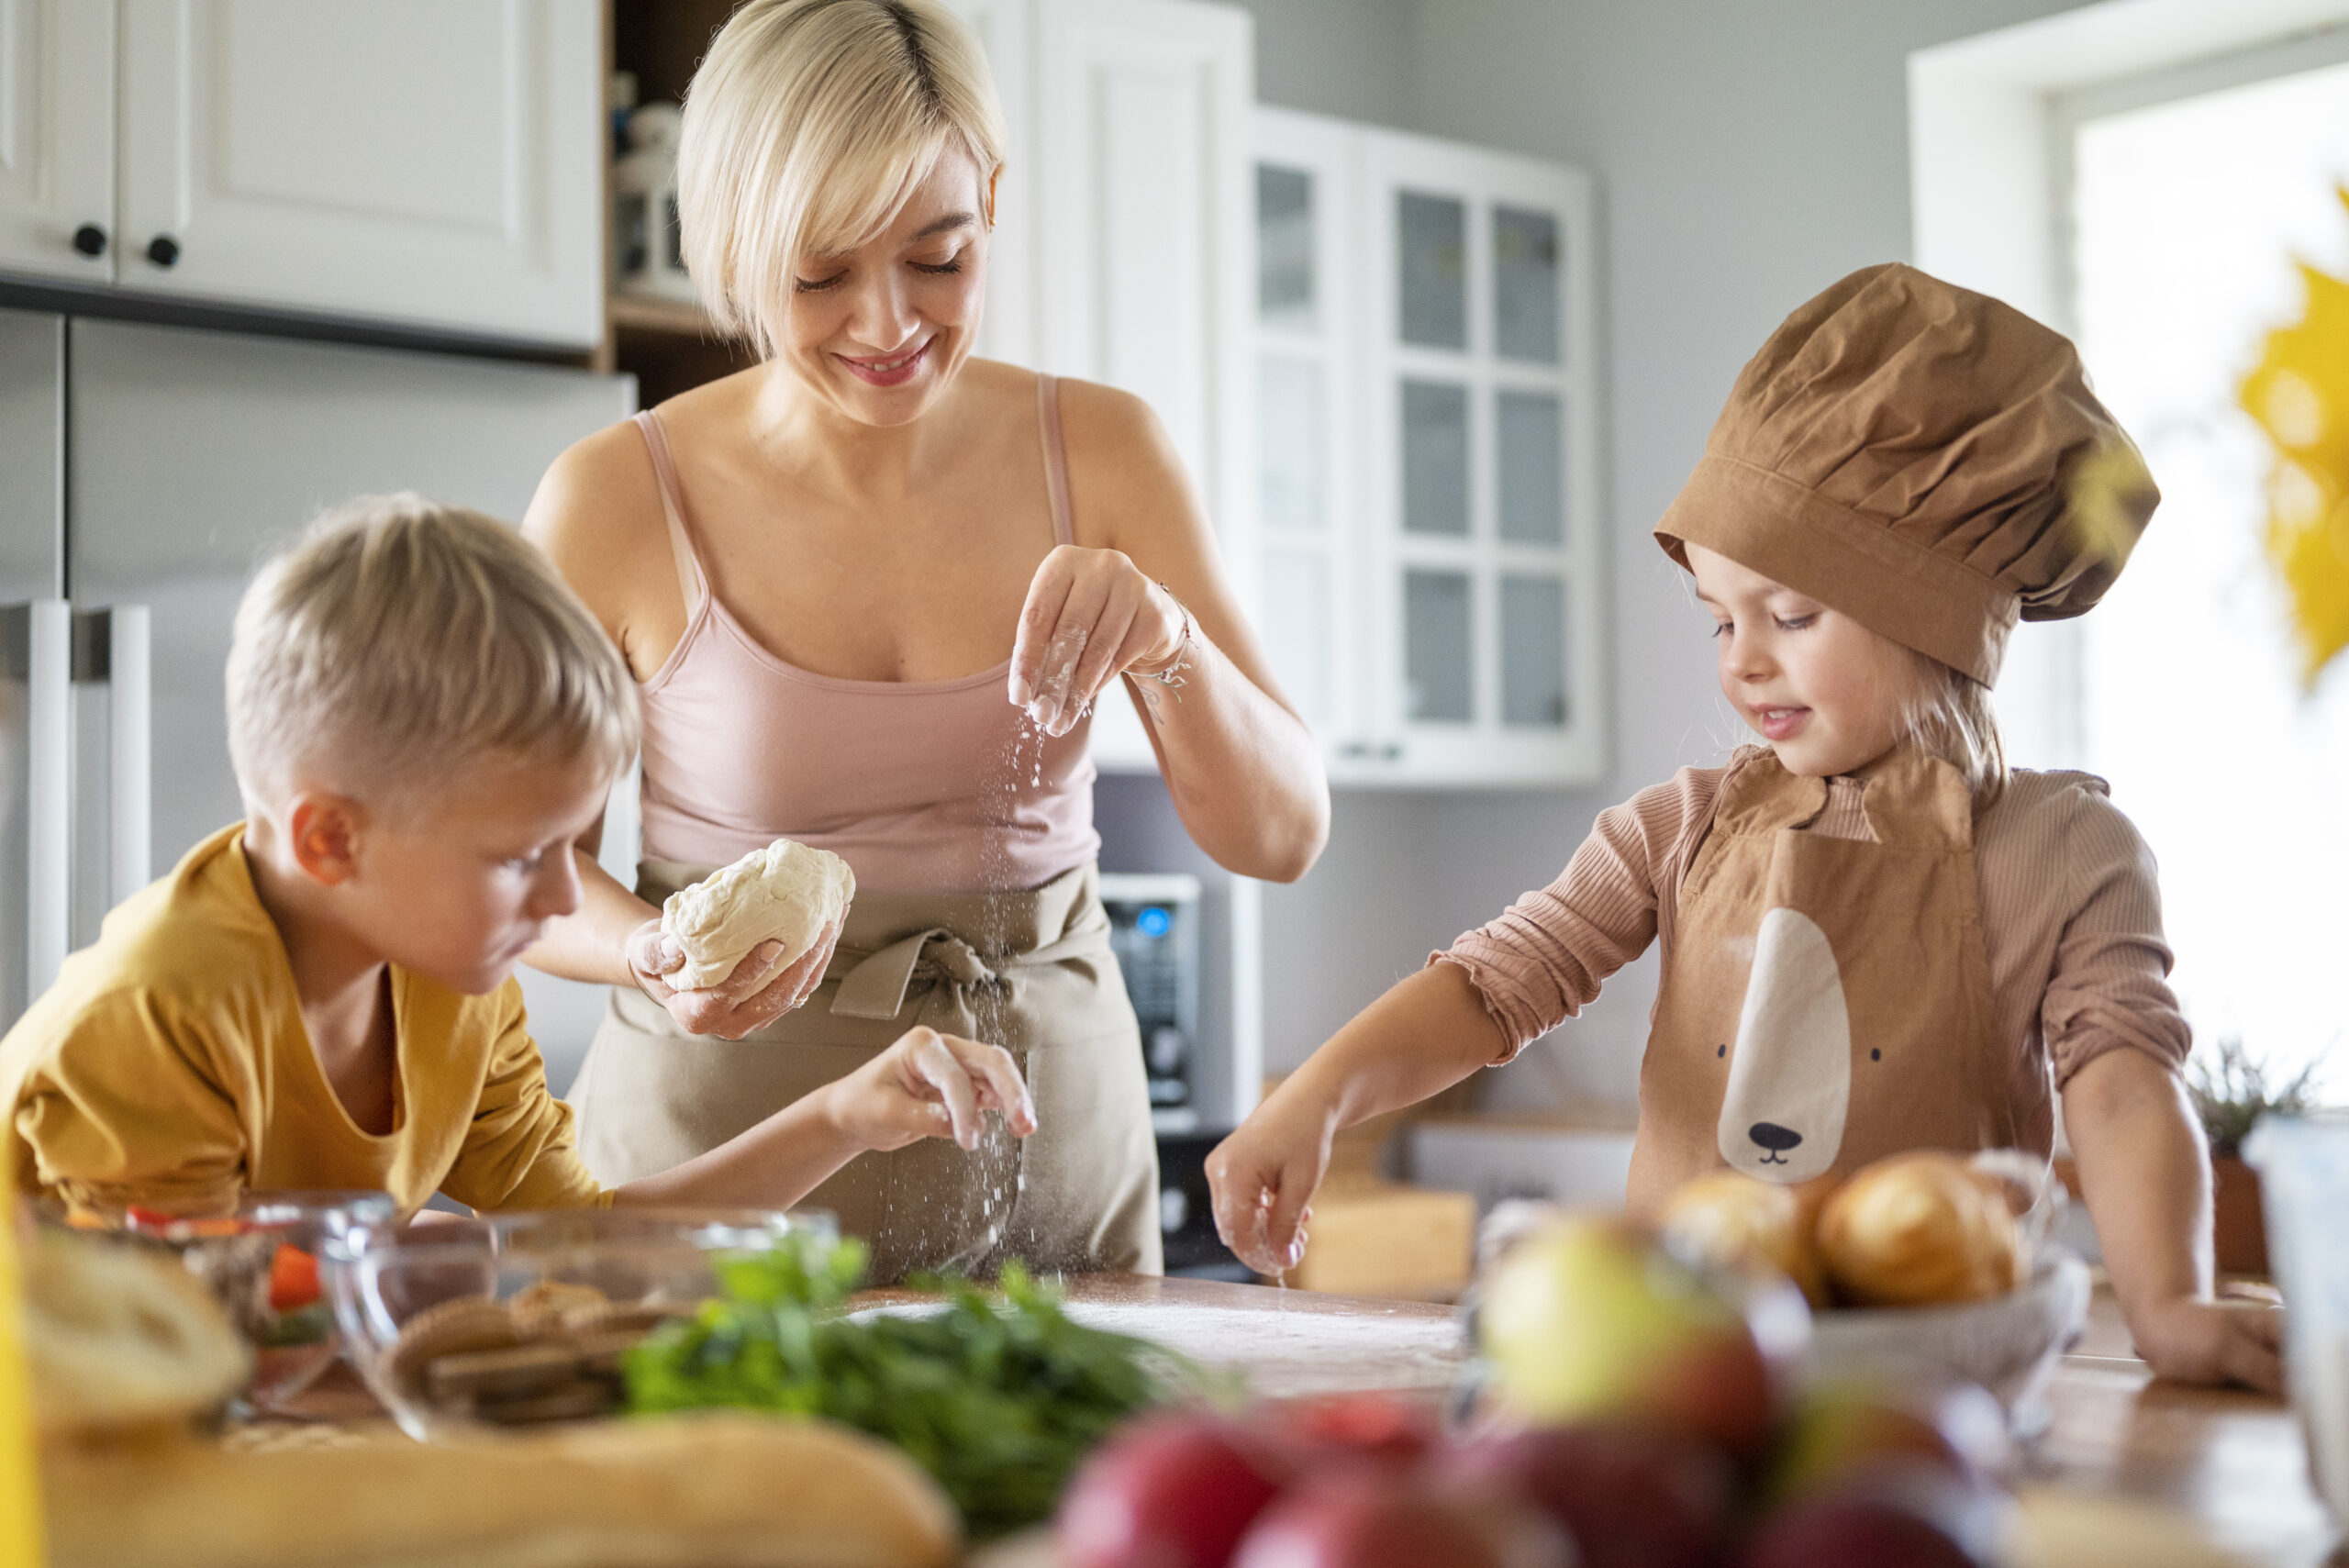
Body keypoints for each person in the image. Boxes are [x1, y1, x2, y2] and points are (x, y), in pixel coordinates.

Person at [1207, 264, 2285, 1393]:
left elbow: (2119, 1079)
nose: (1743, 659)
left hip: (1931, 1386)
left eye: (1794, 614)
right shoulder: (1681, 826)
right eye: (1722, 617)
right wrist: (1313, 1096)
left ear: (1943, 621)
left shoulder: (2068, 850)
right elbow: (1498, 982)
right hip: (1678, 1368)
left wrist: (2170, 1305)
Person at [522, 0, 1327, 1278]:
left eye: (939, 258)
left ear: (992, 203)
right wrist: (651, 950)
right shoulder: (613, 500)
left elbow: (1280, 837)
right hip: (719, 1166)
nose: (891, 325)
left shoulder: (1107, 451)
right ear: (733, 246)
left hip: (1042, 1142)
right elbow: (521, 876)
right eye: (820, 275)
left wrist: (1164, 644)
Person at [0, 497, 1032, 1219]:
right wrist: (424, 1262)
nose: (557, 898)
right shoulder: (157, 1017)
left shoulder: (451, 986)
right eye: (517, 856)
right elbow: (179, 1375)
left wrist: (844, 1115)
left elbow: (581, 1242)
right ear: (329, 837)